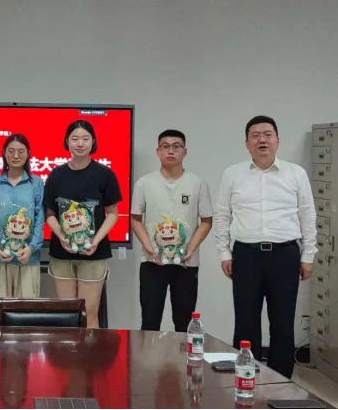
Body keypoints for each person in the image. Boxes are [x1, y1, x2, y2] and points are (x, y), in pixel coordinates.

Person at [214, 116, 317, 379]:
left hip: (285, 255)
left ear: (277, 141)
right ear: (247, 143)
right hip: (246, 255)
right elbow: (222, 216)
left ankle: (281, 382)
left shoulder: (295, 173)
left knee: (282, 322)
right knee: (245, 321)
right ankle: (245, 377)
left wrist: (308, 255)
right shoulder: (232, 174)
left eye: (268, 134)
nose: (262, 140)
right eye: (255, 135)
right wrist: (224, 252)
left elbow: (307, 215)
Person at [131, 130, 213, 332]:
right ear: (158, 151)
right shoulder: (144, 183)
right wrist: (150, 250)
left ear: (185, 151)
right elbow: (135, 219)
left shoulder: (197, 184)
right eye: (165, 146)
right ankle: (149, 354)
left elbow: (206, 221)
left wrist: (190, 249)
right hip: (152, 262)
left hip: (186, 263)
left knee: (184, 322)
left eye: (176, 146)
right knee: (150, 321)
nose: (170, 151)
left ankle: (183, 354)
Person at [44, 120, 122, 329]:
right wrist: (62, 237)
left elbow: (113, 214)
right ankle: (69, 352)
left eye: (85, 139)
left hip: (94, 253)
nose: (80, 143)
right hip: (62, 253)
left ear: (93, 142)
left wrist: (96, 240)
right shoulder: (56, 175)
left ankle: (90, 352)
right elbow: (49, 214)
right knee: (67, 314)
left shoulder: (105, 174)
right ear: (67, 142)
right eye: (75, 139)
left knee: (89, 313)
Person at [0, 134, 44, 326]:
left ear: (28, 154)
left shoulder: (36, 183)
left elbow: (40, 217)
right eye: (11, 151)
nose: (16, 155)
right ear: (4, 153)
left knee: (25, 319)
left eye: (20, 151)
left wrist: (31, 248)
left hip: (28, 259)